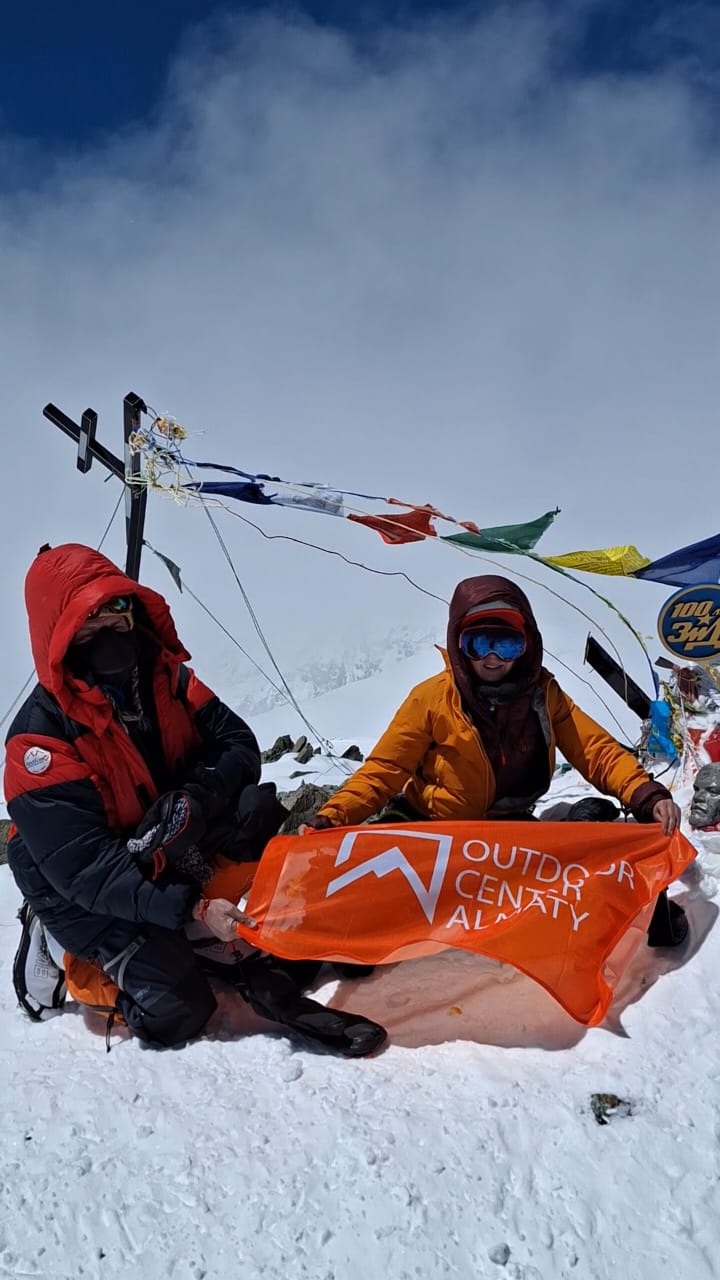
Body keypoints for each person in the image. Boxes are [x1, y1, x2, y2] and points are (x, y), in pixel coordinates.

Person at [4, 543, 385, 1055]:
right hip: (75, 882)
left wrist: (196, 798)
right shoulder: (39, 743)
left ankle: (189, 931)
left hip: (160, 842)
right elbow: (88, 869)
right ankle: (56, 946)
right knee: (178, 1009)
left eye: (114, 613)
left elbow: (238, 743)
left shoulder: (167, 678)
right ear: (59, 637)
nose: (107, 634)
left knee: (256, 814)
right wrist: (196, 908)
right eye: (86, 624)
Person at [303, 574, 686, 946]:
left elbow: (593, 750)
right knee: (359, 935)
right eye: (478, 642)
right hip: (429, 829)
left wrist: (645, 794)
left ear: (526, 645)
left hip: (505, 832)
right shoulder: (432, 700)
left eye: (505, 644)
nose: (490, 657)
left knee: (559, 910)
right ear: (458, 644)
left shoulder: (543, 693)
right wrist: (332, 818)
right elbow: (383, 772)